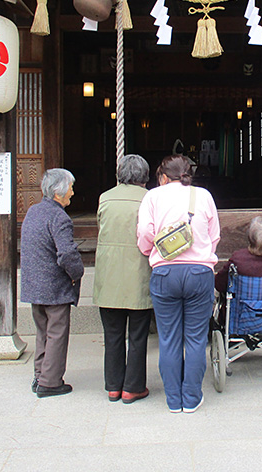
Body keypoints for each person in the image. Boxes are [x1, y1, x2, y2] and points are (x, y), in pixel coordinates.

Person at [136, 155, 220, 414]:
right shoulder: (203, 195)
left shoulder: (152, 197)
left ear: (163, 176)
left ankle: (173, 400)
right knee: (195, 339)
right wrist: (201, 255)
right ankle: (191, 398)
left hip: (165, 273)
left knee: (169, 339)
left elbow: (145, 234)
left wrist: (152, 251)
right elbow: (214, 236)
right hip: (199, 273)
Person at [94, 155, 153, 405]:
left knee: (112, 334)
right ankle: (133, 387)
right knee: (138, 335)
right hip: (138, 273)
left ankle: (113, 386)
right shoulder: (149, 198)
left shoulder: (105, 197)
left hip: (109, 275)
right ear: (144, 176)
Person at [20, 168, 85, 398]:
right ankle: (50, 382)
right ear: (59, 192)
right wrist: (77, 272)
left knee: (43, 333)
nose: (72, 193)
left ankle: (40, 376)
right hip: (54, 286)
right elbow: (66, 253)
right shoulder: (59, 217)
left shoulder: (33, 211)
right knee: (56, 333)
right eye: (70, 188)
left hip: (34, 284)